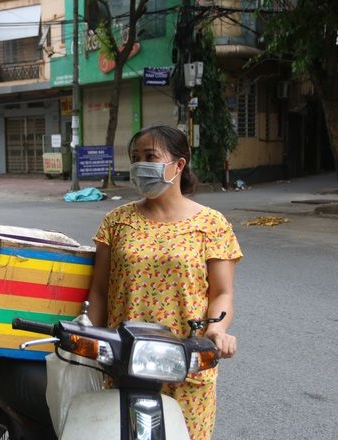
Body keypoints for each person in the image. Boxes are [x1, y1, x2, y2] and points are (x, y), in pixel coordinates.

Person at [87, 125, 242, 440]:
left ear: (179, 164)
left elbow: (222, 293)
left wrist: (217, 331)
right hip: (125, 362)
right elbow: (99, 291)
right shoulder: (116, 222)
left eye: (150, 156)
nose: (140, 164)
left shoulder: (211, 224)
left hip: (186, 365)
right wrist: (87, 343)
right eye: (135, 157)